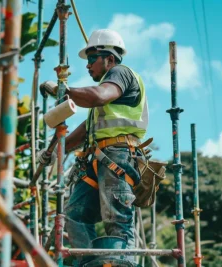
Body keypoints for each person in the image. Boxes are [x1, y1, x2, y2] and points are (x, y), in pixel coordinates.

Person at [40, 29, 149, 264]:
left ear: (109, 58)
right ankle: (90, 263)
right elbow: (85, 130)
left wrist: (65, 91)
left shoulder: (120, 74)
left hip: (118, 156)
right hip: (99, 159)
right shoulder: (101, 100)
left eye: (91, 59)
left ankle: (119, 262)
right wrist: (54, 151)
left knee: (116, 219)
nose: (88, 66)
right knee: (75, 215)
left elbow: (97, 96)